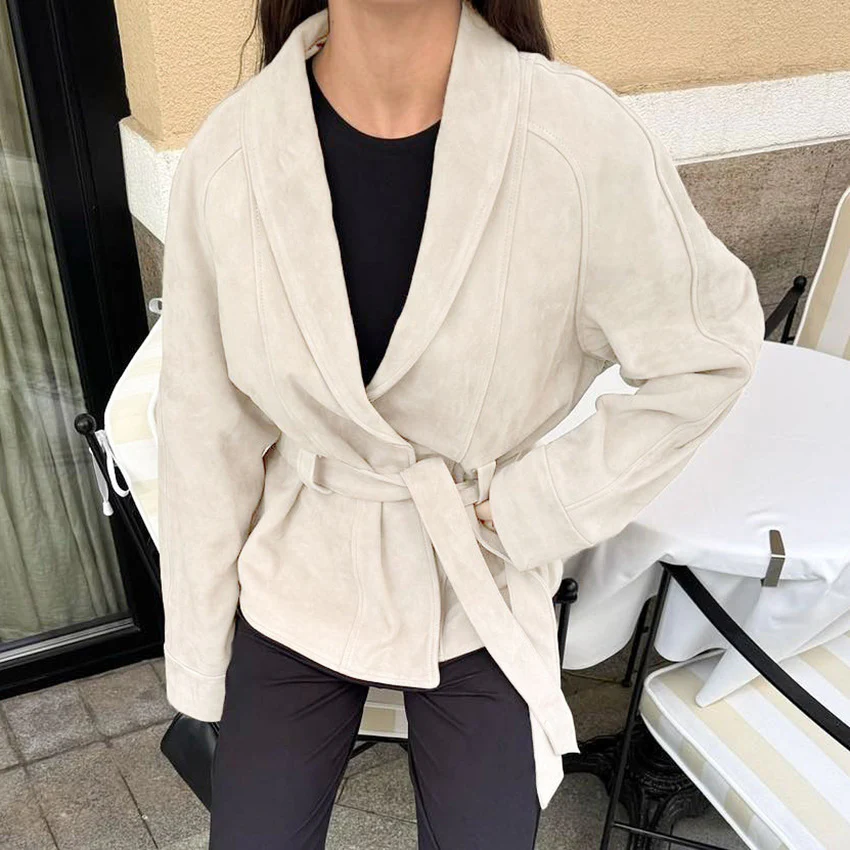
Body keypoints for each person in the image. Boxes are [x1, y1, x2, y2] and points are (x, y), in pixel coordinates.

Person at [154, 1, 766, 848]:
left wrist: (537, 504)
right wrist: (198, 665)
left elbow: (709, 350)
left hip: (474, 577)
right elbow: (203, 426)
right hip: (302, 570)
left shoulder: (576, 140)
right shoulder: (231, 155)